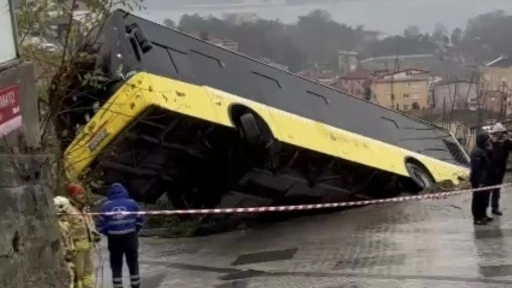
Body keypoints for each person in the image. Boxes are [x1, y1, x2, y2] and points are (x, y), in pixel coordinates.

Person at [96, 183, 144, 288]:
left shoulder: (106, 206)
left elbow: (99, 225)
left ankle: (117, 285)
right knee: (133, 262)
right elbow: (141, 219)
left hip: (114, 240)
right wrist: (135, 229)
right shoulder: (132, 203)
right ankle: (135, 285)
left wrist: (108, 232)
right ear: (124, 192)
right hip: (130, 238)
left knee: (116, 264)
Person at [66, 183, 101, 288]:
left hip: (88, 246)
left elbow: (90, 224)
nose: (82, 196)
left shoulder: (85, 209)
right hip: (76, 249)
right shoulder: (68, 210)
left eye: (82, 193)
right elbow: (65, 231)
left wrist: (95, 232)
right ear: (72, 195)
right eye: (79, 193)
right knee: (78, 275)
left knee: (89, 273)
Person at [488, 122, 512, 216]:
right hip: (490, 169)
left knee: (496, 190)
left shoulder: (506, 142)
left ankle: (495, 208)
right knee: (487, 190)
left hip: (500, 169)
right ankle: (483, 210)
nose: (499, 135)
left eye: (500, 133)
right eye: (497, 133)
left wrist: (508, 140)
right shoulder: (490, 142)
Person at [470, 131, 493, 225]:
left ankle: (483, 215)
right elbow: (478, 169)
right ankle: (477, 218)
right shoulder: (477, 152)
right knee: (477, 199)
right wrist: (481, 182)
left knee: (484, 198)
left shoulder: (483, 149)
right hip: (478, 180)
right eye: (487, 140)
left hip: (485, 179)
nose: (489, 141)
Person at [54, 196, 77, 288]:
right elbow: (65, 242)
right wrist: (69, 253)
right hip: (63, 259)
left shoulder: (61, 223)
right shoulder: (61, 225)